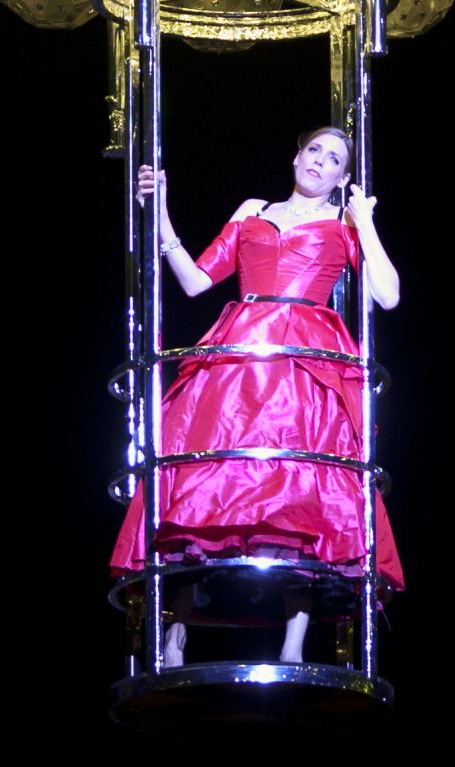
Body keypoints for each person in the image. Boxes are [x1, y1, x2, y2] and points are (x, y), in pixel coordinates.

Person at [110, 126, 404, 667]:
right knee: (208, 483)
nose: (319, 161)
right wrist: (161, 214)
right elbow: (197, 281)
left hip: (304, 362)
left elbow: (387, 295)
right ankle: (177, 634)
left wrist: (365, 223)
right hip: (239, 358)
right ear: (296, 155)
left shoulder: (342, 222)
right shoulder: (254, 209)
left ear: (343, 177)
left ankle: (293, 645)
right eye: (314, 149)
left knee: (296, 492)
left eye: (334, 158)